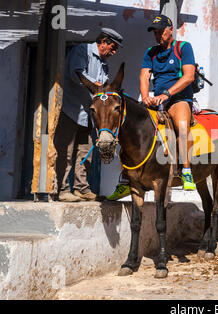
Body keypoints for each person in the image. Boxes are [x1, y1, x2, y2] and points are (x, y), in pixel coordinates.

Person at [107, 14, 196, 199]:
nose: (158, 35)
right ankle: (125, 179)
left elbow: (189, 76)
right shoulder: (151, 52)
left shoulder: (183, 47)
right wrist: (146, 96)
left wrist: (167, 94)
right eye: (155, 32)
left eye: (161, 31)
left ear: (171, 30)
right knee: (130, 128)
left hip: (178, 99)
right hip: (157, 101)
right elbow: (144, 77)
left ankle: (186, 170)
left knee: (181, 127)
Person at [54, 28, 123, 202]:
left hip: (89, 114)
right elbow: (76, 74)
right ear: (104, 42)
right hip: (71, 110)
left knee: (85, 153)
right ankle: (62, 190)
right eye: (113, 47)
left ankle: (82, 189)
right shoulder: (82, 51)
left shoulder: (104, 63)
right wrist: (96, 84)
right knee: (65, 153)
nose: (113, 52)